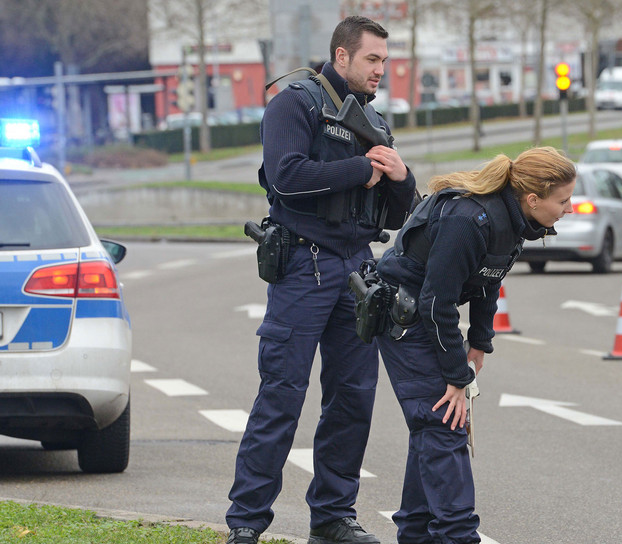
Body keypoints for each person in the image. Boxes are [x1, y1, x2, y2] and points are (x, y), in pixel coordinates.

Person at [226, 16, 417, 544]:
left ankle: (333, 517)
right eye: (373, 59)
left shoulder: (372, 121)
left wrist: (402, 177)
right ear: (341, 56)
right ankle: (246, 522)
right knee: (282, 394)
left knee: (353, 399)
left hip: (358, 269)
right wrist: (360, 170)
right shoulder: (295, 103)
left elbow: (400, 213)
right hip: (303, 267)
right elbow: (285, 175)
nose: (382, 69)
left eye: (385, 59)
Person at [373, 147, 576, 544]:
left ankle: (416, 535)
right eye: (563, 200)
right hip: (404, 317)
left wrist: (480, 342)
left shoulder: (514, 219)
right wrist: (456, 376)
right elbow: (436, 301)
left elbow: (488, 278)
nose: (568, 208)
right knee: (444, 422)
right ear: (534, 198)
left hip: (427, 314)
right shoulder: (470, 219)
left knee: (431, 426)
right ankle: (458, 536)